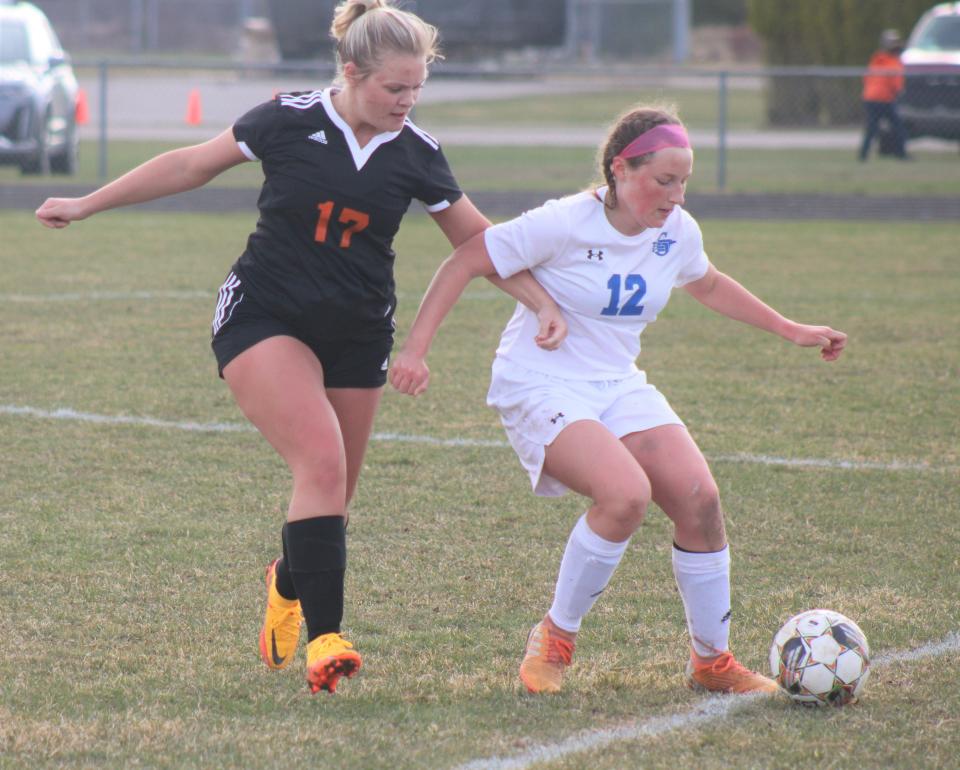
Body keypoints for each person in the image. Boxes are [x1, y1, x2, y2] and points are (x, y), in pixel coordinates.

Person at [35, 0, 564, 695]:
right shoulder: (287, 118)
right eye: (394, 88)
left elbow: (478, 240)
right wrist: (86, 203)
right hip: (265, 314)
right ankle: (327, 641)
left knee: (332, 497)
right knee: (319, 460)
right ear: (351, 72)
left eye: (417, 89)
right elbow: (192, 165)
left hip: (357, 331)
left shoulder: (415, 154)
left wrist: (541, 301)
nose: (408, 101)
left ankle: (286, 581)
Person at [389, 105, 847, 695]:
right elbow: (466, 259)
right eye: (663, 181)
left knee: (699, 498)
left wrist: (791, 329)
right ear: (620, 169)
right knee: (624, 494)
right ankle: (555, 637)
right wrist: (415, 350)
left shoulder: (677, 230)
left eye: (684, 181)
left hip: (617, 382)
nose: (676, 195)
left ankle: (712, 661)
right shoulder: (565, 221)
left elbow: (705, 282)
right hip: (540, 382)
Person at [858, 28, 909, 161]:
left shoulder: (877, 59)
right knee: (898, 127)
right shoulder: (893, 63)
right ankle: (901, 154)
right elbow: (896, 85)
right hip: (883, 99)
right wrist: (900, 93)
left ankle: (863, 155)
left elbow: (866, 79)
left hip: (870, 98)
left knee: (872, 128)